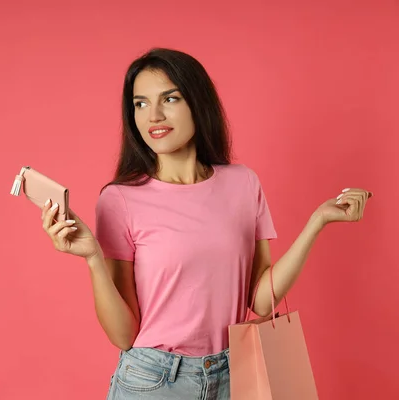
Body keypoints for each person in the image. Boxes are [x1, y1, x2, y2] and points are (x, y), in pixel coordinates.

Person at [40, 48, 372, 399]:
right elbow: (124, 336)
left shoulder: (243, 184)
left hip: (233, 375)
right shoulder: (120, 199)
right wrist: (93, 258)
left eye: (170, 98)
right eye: (140, 104)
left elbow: (261, 301)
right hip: (154, 381)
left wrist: (316, 223)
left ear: (198, 102)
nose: (153, 115)